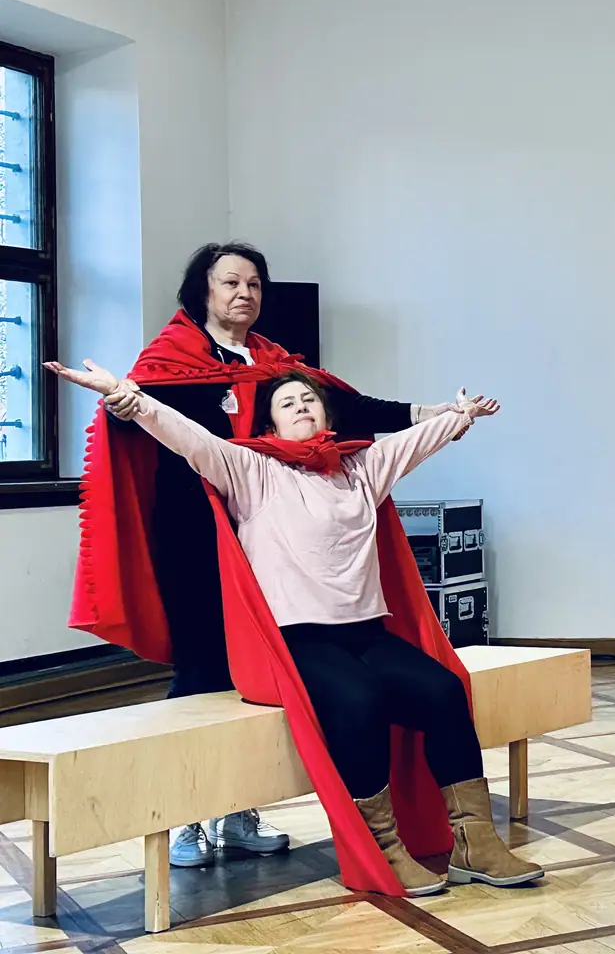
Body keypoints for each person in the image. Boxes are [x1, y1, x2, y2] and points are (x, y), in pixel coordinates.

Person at [52, 360, 542, 897]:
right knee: (360, 699)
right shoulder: (251, 470)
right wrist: (127, 397)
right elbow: (187, 437)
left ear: (327, 415)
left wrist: (460, 415)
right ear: (271, 424)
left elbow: (415, 443)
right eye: (287, 403)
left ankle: (475, 845)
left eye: (309, 400)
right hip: (296, 641)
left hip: (365, 633)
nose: (301, 406)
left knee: (444, 690)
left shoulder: (360, 470)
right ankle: (382, 850)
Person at [70, 242, 458, 869]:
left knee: (255, 680)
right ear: (202, 291)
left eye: (253, 284)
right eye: (230, 282)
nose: (244, 293)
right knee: (203, 672)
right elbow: (149, 415)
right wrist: (121, 405)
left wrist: (421, 413)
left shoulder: (273, 362)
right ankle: (186, 818)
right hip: (199, 538)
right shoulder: (172, 359)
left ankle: (238, 809)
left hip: (269, 536)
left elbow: (342, 405)